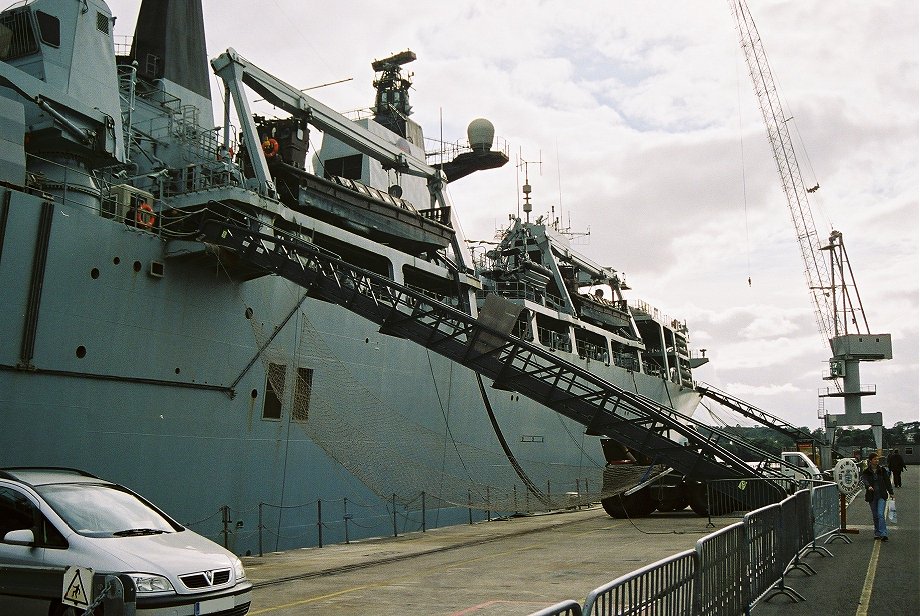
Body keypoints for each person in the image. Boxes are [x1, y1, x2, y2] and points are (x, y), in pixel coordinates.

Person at [860, 452, 895, 541]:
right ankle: (877, 532)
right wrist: (868, 486)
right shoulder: (866, 472)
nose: (877, 461)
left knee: (880, 514)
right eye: (875, 459)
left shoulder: (882, 470)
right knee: (875, 515)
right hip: (872, 496)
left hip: (881, 495)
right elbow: (865, 480)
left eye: (877, 459)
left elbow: (887, 482)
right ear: (870, 460)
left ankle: (883, 533)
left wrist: (891, 492)